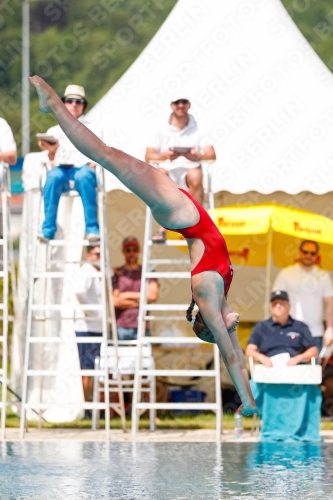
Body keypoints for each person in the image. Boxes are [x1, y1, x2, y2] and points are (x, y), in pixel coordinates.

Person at [28, 75, 259, 416]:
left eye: (220, 328)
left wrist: (248, 402)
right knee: (108, 156)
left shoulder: (207, 292)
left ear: (208, 321)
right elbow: (235, 346)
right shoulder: (220, 295)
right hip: (183, 210)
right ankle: (57, 110)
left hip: (180, 213)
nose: (232, 326)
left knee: (106, 156)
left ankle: (55, 107)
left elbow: (231, 355)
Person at [145, 93, 216, 242]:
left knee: (195, 174)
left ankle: (195, 224)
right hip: (168, 174)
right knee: (160, 173)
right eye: (177, 102)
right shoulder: (160, 128)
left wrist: (196, 157)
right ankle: (163, 227)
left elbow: (211, 155)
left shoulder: (199, 127)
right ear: (171, 105)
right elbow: (148, 155)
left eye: (184, 102)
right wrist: (166, 156)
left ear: (189, 104)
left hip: (190, 174)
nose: (181, 105)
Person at [39, 84, 102, 242]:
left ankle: (92, 228)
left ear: (83, 105)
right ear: (64, 103)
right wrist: (51, 151)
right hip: (61, 171)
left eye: (78, 101)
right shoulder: (53, 131)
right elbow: (51, 161)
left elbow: (99, 157)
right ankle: (47, 229)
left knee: (84, 175)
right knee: (53, 176)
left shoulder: (94, 128)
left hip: (84, 171)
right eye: (70, 100)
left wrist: (92, 165)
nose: (74, 104)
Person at [273, 240, 333, 353]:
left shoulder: (324, 276)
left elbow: (330, 304)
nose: (308, 255)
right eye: (305, 252)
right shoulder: (286, 273)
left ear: (316, 256)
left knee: (314, 370)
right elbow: (276, 303)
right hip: (288, 332)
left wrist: (330, 329)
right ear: (299, 252)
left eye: (312, 253)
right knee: (288, 370)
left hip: (315, 333)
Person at [246, 290, 318, 366]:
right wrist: (262, 358)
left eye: (282, 303)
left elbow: (313, 351)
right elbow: (249, 350)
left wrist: (298, 358)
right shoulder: (261, 326)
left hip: (295, 370)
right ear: (270, 307)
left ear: (289, 306)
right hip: (269, 370)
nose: (278, 306)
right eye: (274, 303)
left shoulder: (300, 326)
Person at [112, 236, 158, 341]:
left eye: (134, 249)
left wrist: (126, 295)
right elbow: (115, 301)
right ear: (123, 251)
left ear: (139, 251)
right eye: (128, 250)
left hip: (142, 325)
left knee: (144, 357)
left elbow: (153, 295)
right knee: (120, 357)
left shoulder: (148, 271)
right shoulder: (117, 273)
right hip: (121, 327)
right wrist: (141, 301)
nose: (131, 253)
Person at [73, 244, 103, 408]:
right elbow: (79, 292)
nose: (100, 257)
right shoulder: (87, 270)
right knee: (87, 369)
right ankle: (85, 406)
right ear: (89, 254)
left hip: (94, 327)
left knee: (92, 368)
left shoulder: (95, 271)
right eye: (97, 254)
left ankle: (88, 403)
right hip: (87, 328)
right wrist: (90, 312)